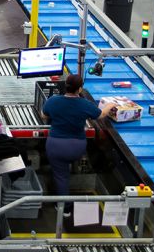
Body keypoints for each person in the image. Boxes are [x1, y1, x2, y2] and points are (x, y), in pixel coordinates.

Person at [41, 75, 117, 205]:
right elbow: (101, 114)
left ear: (65, 85)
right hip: (77, 148)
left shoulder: (53, 100)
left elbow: (43, 115)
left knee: (61, 176)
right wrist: (110, 105)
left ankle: (65, 209)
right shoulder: (85, 104)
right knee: (66, 170)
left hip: (56, 146)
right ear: (80, 89)